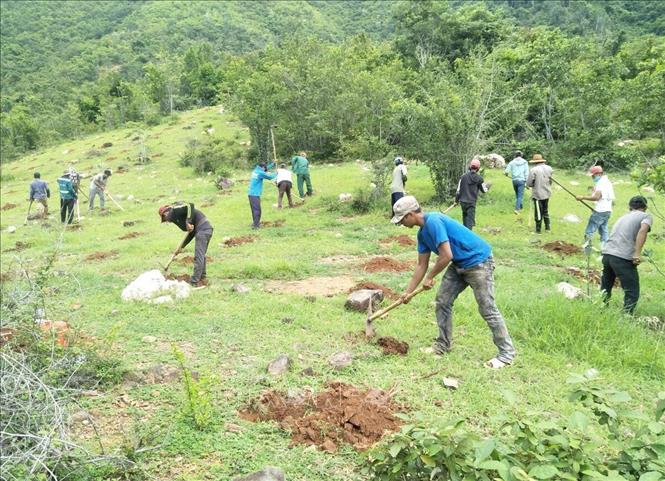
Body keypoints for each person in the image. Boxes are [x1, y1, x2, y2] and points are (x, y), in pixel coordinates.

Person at [391, 195, 516, 369]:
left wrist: (430, 277)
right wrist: (408, 292)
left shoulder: (434, 221)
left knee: (487, 309)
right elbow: (421, 265)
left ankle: (506, 354)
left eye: (401, 220)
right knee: (443, 301)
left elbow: (446, 255)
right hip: (459, 263)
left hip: (478, 261)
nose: (401, 224)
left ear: (410, 214)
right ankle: (443, 345)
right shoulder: (422, 234)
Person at [600, 196, 652, 314]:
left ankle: (601, 307)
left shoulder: (623, 217)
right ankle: (626, 316)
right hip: (622, 257)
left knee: (606, 285)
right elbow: (643, 230)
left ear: (630, 207)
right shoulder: (645, 216)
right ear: (645, 207)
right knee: (632, 290)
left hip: (607, 254)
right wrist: (637, 253)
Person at [159, 202, 214, 287]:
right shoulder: (178, 220)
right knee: (201, 255)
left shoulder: (174, 211)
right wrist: (181, 247)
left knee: (198, 256)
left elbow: (190, 205)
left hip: (203, 229)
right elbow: (190, 233)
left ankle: (194, 281)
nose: (167, 221)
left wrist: (188, 221)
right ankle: (203, 278)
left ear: (166, 213)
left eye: (165, 218)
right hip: (205, 230)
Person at [576, 165, 615, 251]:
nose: (592, 177)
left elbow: (597, 197)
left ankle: (587, 249)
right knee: (603, 230)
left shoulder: (601, 183)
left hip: (600, 211)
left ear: (599, 174)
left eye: (593, 175)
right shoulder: (607, 182)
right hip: (607, 210)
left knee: (590, 230)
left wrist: (582, 197)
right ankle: (605, 250)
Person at [455, 159, 490, 230]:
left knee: (465, 219)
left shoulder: (463, 177)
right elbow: (484, 190)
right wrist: (488, 186)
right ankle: (468, 237)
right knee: (470, 222)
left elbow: (458, 191)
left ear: (470, 167)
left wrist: (456, 200)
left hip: (463, 202)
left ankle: (465, 234)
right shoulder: (480, 179)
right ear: (478, 168)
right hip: (471, 203)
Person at [525, 154, 553, 233]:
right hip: (547, 193)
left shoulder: (534, 170)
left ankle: (538, 230)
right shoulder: (549, 168)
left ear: (535, 162)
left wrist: (528, 185)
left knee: (538, 212)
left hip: (538, 194)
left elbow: (530, 183)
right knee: (545, 210)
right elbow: (550, 181)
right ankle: (548, 228)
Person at [248, 162, 277, 229]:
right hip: (255, 194)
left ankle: (255, 223)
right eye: (265, 168)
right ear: (262, 168)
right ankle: (256, 226)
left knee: (254, 209)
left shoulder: (256, 170)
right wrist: (277, 173)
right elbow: (270, 177)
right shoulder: (260, 173)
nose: (265, 169)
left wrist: (272, 164)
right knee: (257, 210)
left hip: (251, 193)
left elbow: (265, 169)